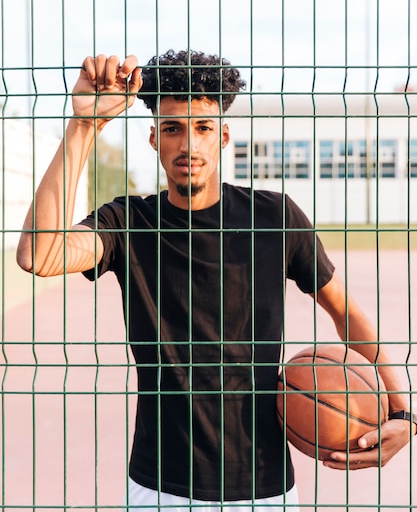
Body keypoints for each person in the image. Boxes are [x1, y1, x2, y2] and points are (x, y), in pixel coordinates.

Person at [17, 50, 416, 511]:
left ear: (223, 136)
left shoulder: (273, 218)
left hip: (264, 487)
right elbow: (39, 255)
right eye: (173, 128)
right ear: (153, 139)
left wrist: (401, 411)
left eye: (203, 127)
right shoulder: (129, 223)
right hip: (158, 486)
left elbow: (345, 311)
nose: (189, 144)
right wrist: (84, 126)